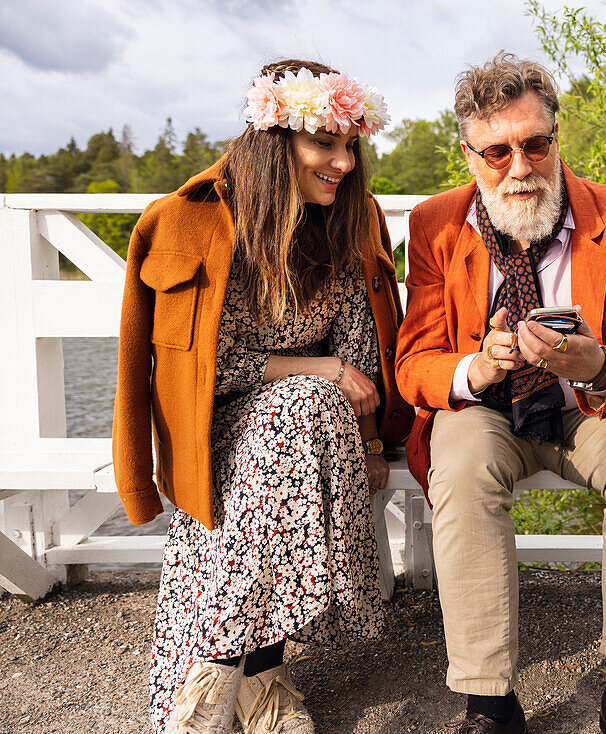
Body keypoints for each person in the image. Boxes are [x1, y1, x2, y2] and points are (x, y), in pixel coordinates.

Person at [112, 59, 411, 734]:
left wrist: (363, 438)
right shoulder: (188, 221)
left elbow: (361, 353)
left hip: (314, 435)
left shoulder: (349, 221)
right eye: (323, 142)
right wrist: (318, 367)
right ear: (277, 141)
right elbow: (191, 373)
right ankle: (255, 675)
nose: (341, 160)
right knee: (299, 406)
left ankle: (215, 673)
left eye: (349, 145)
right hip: (213, 439)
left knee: (300, 409)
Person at [396, 52, 606, 734]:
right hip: (488, 413)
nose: (519, 168)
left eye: (535, 144)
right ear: (468, 154)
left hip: (587, 408)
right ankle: (489, 703)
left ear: (557, 137)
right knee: (461, 469)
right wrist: (476, 367)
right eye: (496, 152)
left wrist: (594, 363)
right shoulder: (435, 226)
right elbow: (414, 363)